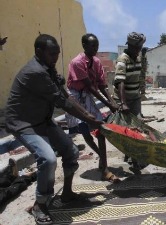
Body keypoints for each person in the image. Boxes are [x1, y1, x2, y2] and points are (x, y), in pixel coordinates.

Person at [5, 34, 103, 225]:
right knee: (48, 159)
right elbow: (62, 102)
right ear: (38, 52)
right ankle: (39, 205)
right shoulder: (36, 72)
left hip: (42, 119)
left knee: (72, 151)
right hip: (23, 123)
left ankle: (66, 194)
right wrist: (87, 118)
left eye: (57, 54)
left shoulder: (48, 68)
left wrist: (89, 115)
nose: (55, 58)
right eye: (52, 54)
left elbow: (67, 95)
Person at [65, 33, 120, 183]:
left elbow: (102, 85)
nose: (95, 48)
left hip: (87, 95)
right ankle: (102, 158)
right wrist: (109, 105)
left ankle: (104, 166)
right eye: (92, 46)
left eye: (97, 45)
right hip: (75, 97)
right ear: (84, 46)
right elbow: (90, 86)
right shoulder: (77, 62)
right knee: (85, 131)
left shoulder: (96, 62)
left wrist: (112, 101)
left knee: (100, 129)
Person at [113, 32, 147, 170]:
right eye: (138, 47)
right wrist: (123, 103)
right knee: (130, 129)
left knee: (138, 126)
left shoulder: (138, 58)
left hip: (136, 98)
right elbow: (120, 82)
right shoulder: (123, 59)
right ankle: (134, 160)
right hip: (124, 99)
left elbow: (140, 76)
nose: (139, 49)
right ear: (133, 46)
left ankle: (132, 155)